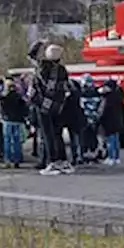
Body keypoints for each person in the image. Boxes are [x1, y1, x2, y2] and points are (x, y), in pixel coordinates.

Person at [34, 44, 73, 176]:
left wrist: (39, 44)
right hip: (58, 106)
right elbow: (66, 88)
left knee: (47, 136)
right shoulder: (62, 70)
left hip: (43, 105)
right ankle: (63, 162)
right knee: (58, 134)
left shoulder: (42, 68)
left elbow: (31, 55)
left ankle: (52, 162)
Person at [0, 78, 28, 168]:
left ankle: (7, 160)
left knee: (7, 141)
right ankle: (17, 160)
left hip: (7, 120)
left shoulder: (5, 97)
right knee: (17, 141)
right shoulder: (20, 97)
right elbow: (25, 108)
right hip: (18, 121)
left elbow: (0, 101)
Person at [59, 73, 86, 165]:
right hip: (76, 120)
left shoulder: (69, 97)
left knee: (74, 140)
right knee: (77, 139)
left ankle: (76, 157)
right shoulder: (77, 95)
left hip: (72, 120)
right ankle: (79, 156)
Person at [79, 74, 106, 162]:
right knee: (93, 138)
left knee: (85, 137)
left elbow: (81, 106)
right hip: (94, 118)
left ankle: (86, 154)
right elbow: (100, 106)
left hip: (86, 118)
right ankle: (94, 154)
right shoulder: (97, 92)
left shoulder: (81, 93)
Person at [99, 79, 124, 166]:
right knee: (116, 141)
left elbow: (104, 111)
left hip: (109, 123)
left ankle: (110, 158)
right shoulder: (118, 96)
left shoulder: (108, 98)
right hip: (117, 122)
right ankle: (117, 158)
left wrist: (100, 119)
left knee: (110, 141)